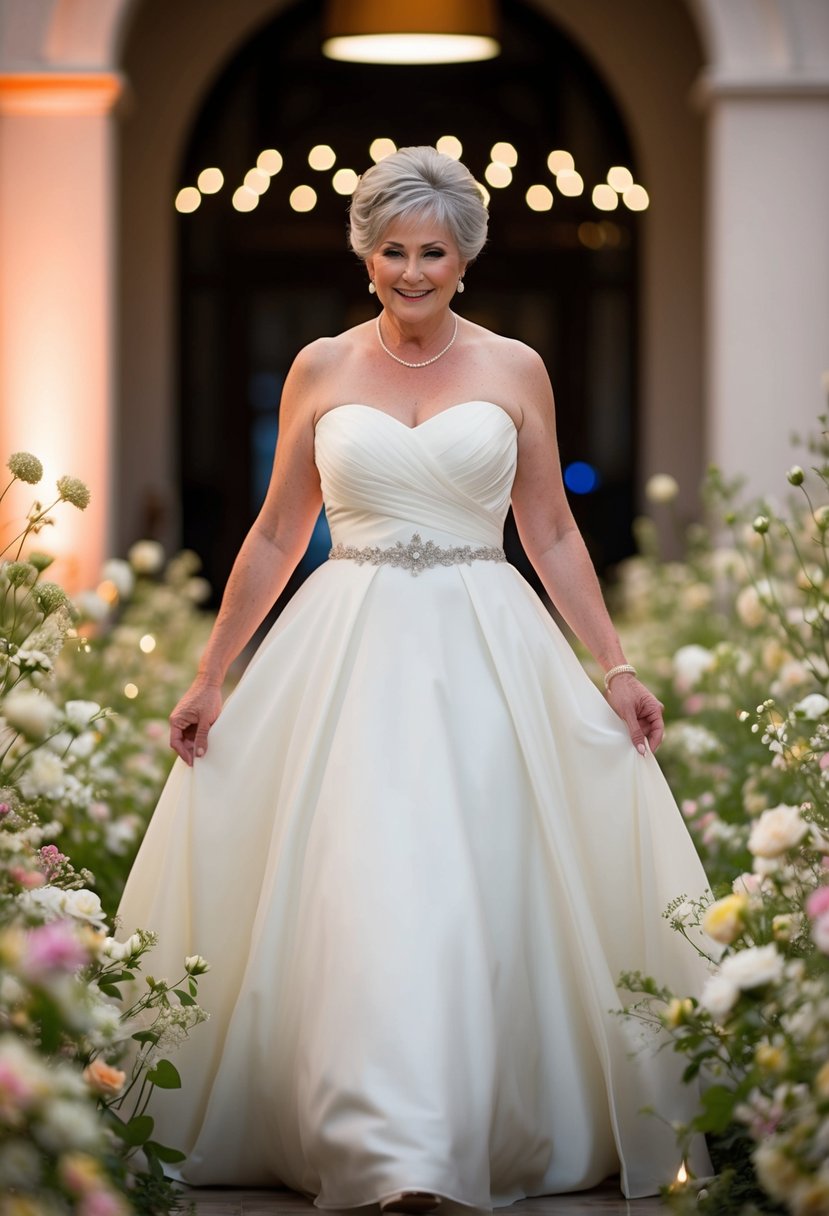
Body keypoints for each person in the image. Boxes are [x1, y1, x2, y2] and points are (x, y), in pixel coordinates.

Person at [117, 146, 712, 1213]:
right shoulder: (319, 367)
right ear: (364, 255)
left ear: (466, 257)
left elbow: (553, 529)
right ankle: (383, 1149)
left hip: (487, 644)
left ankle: (454, 1136)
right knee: (363, 877)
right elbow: (272, 533)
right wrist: (214, 674)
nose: (410, 271)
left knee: (467, 874)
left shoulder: (515, 368)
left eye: (431, 251)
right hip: (344, 647)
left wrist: (613, 665)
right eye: (391, 250)